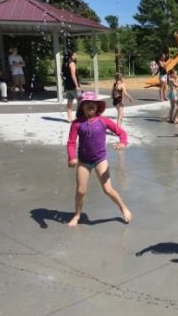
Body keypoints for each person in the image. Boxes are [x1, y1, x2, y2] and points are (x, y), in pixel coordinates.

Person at [66, 91, 132, 227]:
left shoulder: (103, 121)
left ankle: (123, 207)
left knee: (107, 189)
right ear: (81, 107)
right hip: (84, 162)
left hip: (100, 160)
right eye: (87, 104)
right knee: (80, 190)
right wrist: (71, 157)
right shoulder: (77, 124)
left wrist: (122, 142)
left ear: (97, 107)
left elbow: (122, 133)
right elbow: (71, 143)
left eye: (93, 104)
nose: (90, 106)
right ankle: (77, 214)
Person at [62, 51, 81, 123]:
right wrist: (77, 85)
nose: (76, 56)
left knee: (69, 103)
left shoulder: (65, 63)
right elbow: (73, 75)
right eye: (75, 55)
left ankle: (69, 119)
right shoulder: (72, 63)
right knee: (80, 102)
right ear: (71, 56)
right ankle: (78, 117)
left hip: (67, 86)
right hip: (73, 86)